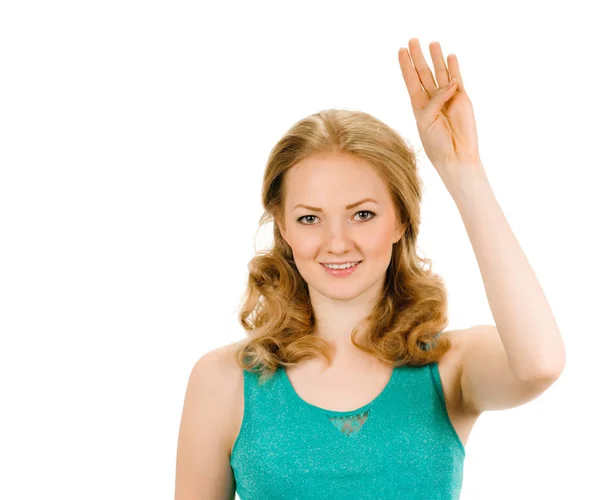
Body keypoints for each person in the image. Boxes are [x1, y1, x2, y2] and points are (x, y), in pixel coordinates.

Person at [175, 38, 566, 499]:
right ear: (283, 228)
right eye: (309, 218)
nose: (337, 242)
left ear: (401, 219)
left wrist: (463, 169)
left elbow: (540, 364)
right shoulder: (222, 381)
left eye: (362, 214)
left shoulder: (450, 366)